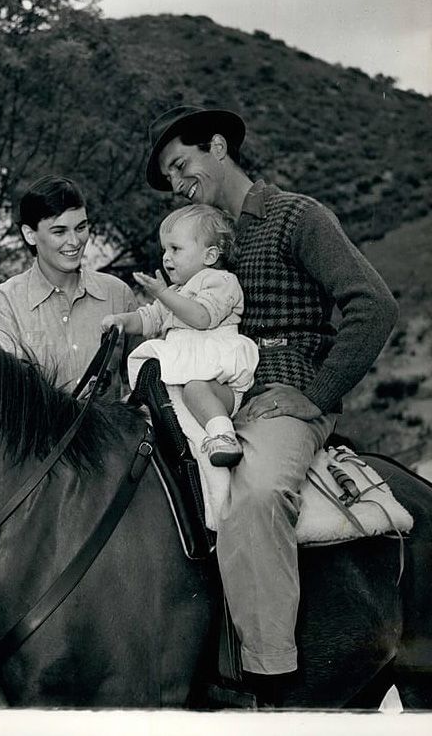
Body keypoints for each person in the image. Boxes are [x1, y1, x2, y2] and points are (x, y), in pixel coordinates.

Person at [144, 105, 399, 704]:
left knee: (255, 495)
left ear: (218, 145)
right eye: (169, 177)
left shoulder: (295, 216)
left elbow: (374, 305)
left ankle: (269, 675)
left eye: (182, 164)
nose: (178, 183)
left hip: (280, 390)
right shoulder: (196, 236)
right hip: (208, 387)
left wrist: (315, 395)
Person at [102, 204, 258, 467]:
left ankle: (223, 435)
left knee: (197, 389)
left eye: (175, 249)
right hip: (184, 374)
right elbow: (149, 319)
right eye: (165, 249)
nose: (166, 257)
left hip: (215, 380)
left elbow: (201, 317)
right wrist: (121, 321)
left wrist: (164, 294)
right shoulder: (177, 291)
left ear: (209, 256)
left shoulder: (220, 281)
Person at [0, 175, 138, 399]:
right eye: (59, 231)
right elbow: (5, 394)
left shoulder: (118, 294)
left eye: (81, 227)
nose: (74, 241)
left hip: (111, 434)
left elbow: (143, 380)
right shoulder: (2, 304)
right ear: (30, 234)